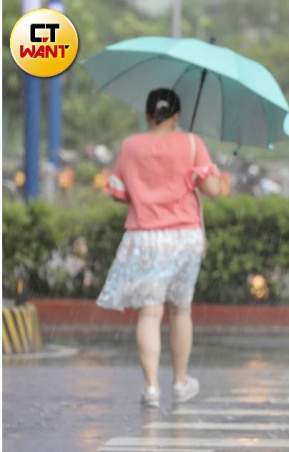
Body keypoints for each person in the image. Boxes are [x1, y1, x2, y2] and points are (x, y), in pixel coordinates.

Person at [97, 88, 222, 409]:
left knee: (149, 313)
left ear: (148, 115)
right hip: (184, 238)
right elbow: (213, 190)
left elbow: (118, 194)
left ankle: (151, 387)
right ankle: (180, 382)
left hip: (145, 238)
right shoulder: (193, 144)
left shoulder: (130, 145)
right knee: (180, 309)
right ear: (177, 116)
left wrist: (146, 188)